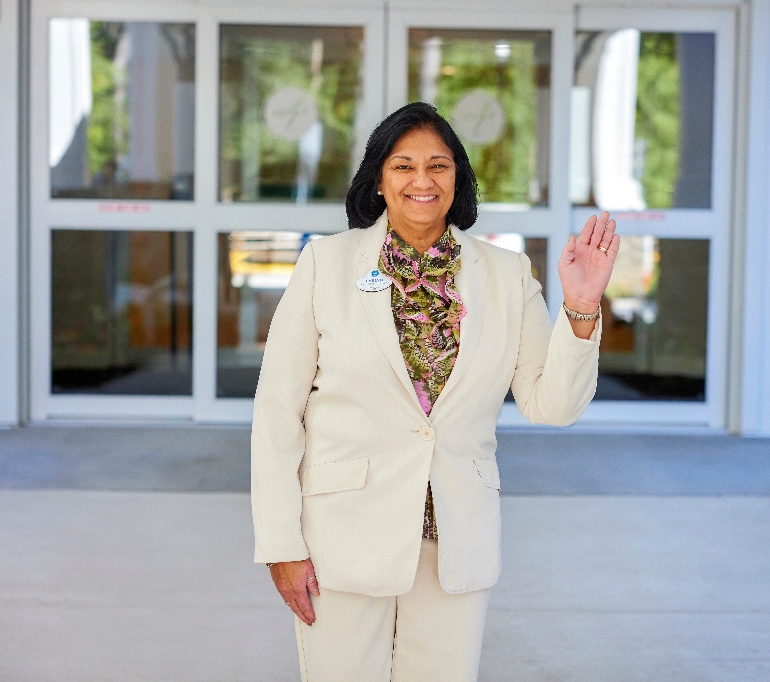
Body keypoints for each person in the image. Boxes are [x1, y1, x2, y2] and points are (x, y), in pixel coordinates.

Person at [250, 101, 618, 681]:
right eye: (403, 166)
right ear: (378, 180)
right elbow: (277, 414)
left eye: (438, 166)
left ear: (458, 178)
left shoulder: (506, 274)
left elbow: (552, 405)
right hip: (342, 536)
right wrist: (281, 544)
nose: (422, 180)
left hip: (454, 537)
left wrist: (581, 308)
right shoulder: (325, 263)